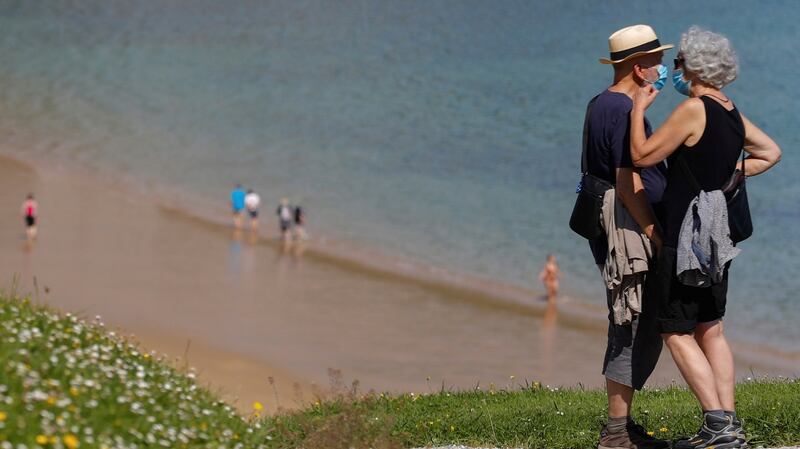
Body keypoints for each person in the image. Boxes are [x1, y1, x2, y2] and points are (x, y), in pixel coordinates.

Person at [630, 27, 781, 449]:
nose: (676, 70)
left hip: (686, 237)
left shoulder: (694, 109)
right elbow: (771, 152)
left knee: (675, 329)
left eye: (678, 63)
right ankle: (729, 426)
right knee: (710, 328)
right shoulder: (731, 111)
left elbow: (642, 156)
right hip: (719, 237)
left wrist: (637, 108)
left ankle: (716, 424)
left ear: (693, 67)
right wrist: (727, 180)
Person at [586, 24, 672, 449]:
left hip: (612, 223)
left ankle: (622, 425)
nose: (661, 69)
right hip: (628, 226)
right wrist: (653, 230)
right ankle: (617, 432)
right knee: (632, 318)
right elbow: (626, 180)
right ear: (639, 69)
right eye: (655, 62)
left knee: (634, 318)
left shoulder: (600, 103)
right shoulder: (622, 110)